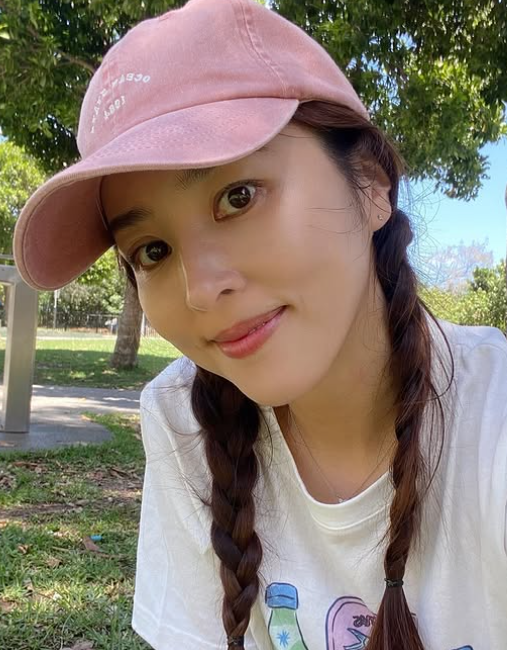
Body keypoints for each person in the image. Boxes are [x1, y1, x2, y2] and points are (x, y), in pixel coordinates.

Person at [13, 0, 507, 648]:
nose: (200, 289)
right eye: (152, 251)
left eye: (237, 197)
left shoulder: (491, 418)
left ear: (369, 184)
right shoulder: (184, 417)